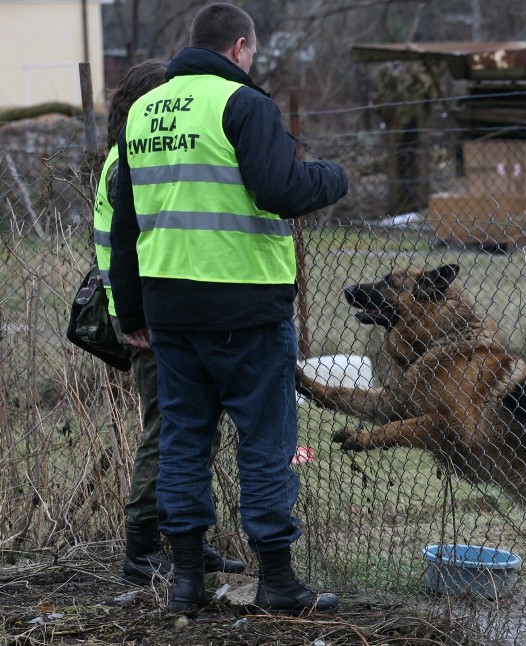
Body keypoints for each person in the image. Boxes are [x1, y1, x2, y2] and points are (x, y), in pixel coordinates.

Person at [109, 3, 348, 614]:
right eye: (252, 53)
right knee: (265, 444)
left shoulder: (141, 112)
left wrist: (131, 310)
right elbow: (279, 190)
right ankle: (277, 582)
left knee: (185, 442)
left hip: (170, 311)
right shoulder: (243, 104)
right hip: (246, 311)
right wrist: (330, 176)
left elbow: (128, 221)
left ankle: (186, 581)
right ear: (240, 47)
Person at [92, 59, 245, 585]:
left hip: (155, 314)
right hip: (146, 323)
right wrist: (135, 314)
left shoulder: (130, 157)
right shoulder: (126, 164)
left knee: (192, 432)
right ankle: (142, 549)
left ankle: (187, 543)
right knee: (167, 432)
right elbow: (131, 248)